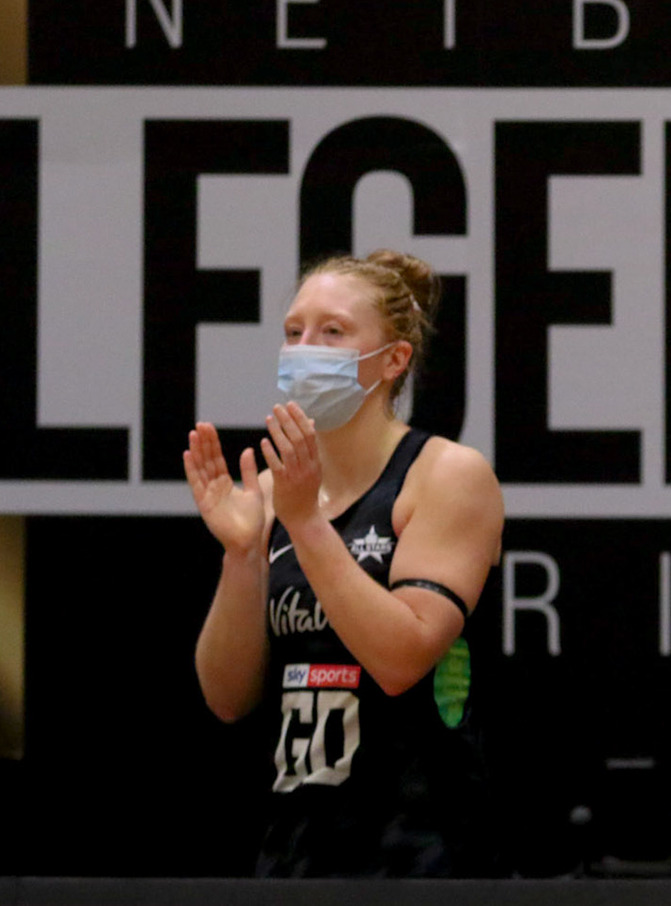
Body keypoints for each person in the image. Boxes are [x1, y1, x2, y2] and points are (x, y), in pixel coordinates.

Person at [186, 250, 505, 877]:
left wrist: (306, 526)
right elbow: (226, 697)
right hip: (297, 853)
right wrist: (243, 554)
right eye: (293, 331)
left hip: (420, 855)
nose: (305, 347)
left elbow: (400, 659)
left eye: (332, 332)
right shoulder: (278, 493)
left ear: (392, 361)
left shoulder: (445, 475)